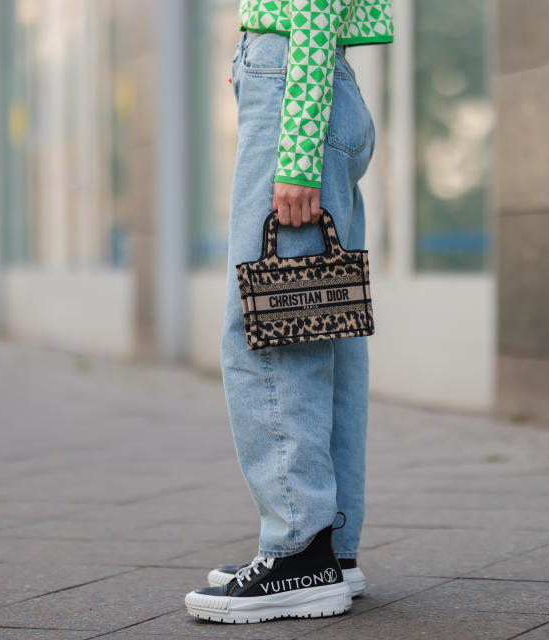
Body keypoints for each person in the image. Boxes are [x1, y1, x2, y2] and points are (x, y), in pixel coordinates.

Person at [185, 0, 394, 624]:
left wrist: (296, 146)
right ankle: (329, 547)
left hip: (297, 87)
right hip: (307, 75)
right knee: (322, 323)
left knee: (269, 330)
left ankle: (299, 552)